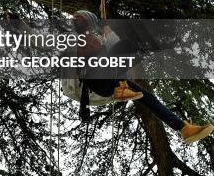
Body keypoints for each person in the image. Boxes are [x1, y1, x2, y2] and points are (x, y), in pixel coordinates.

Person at [63, 11, 214, 144]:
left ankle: (183, 128)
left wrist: (106, 29)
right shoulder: (72, 40)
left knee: (148, 96)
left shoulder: (99, 39)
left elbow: (115, 47)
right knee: (123, 47)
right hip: (93, 81)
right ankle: (120, 87)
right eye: (74, 17)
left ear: (88, 20)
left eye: (79, 17)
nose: (74, 19)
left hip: (107, 82)